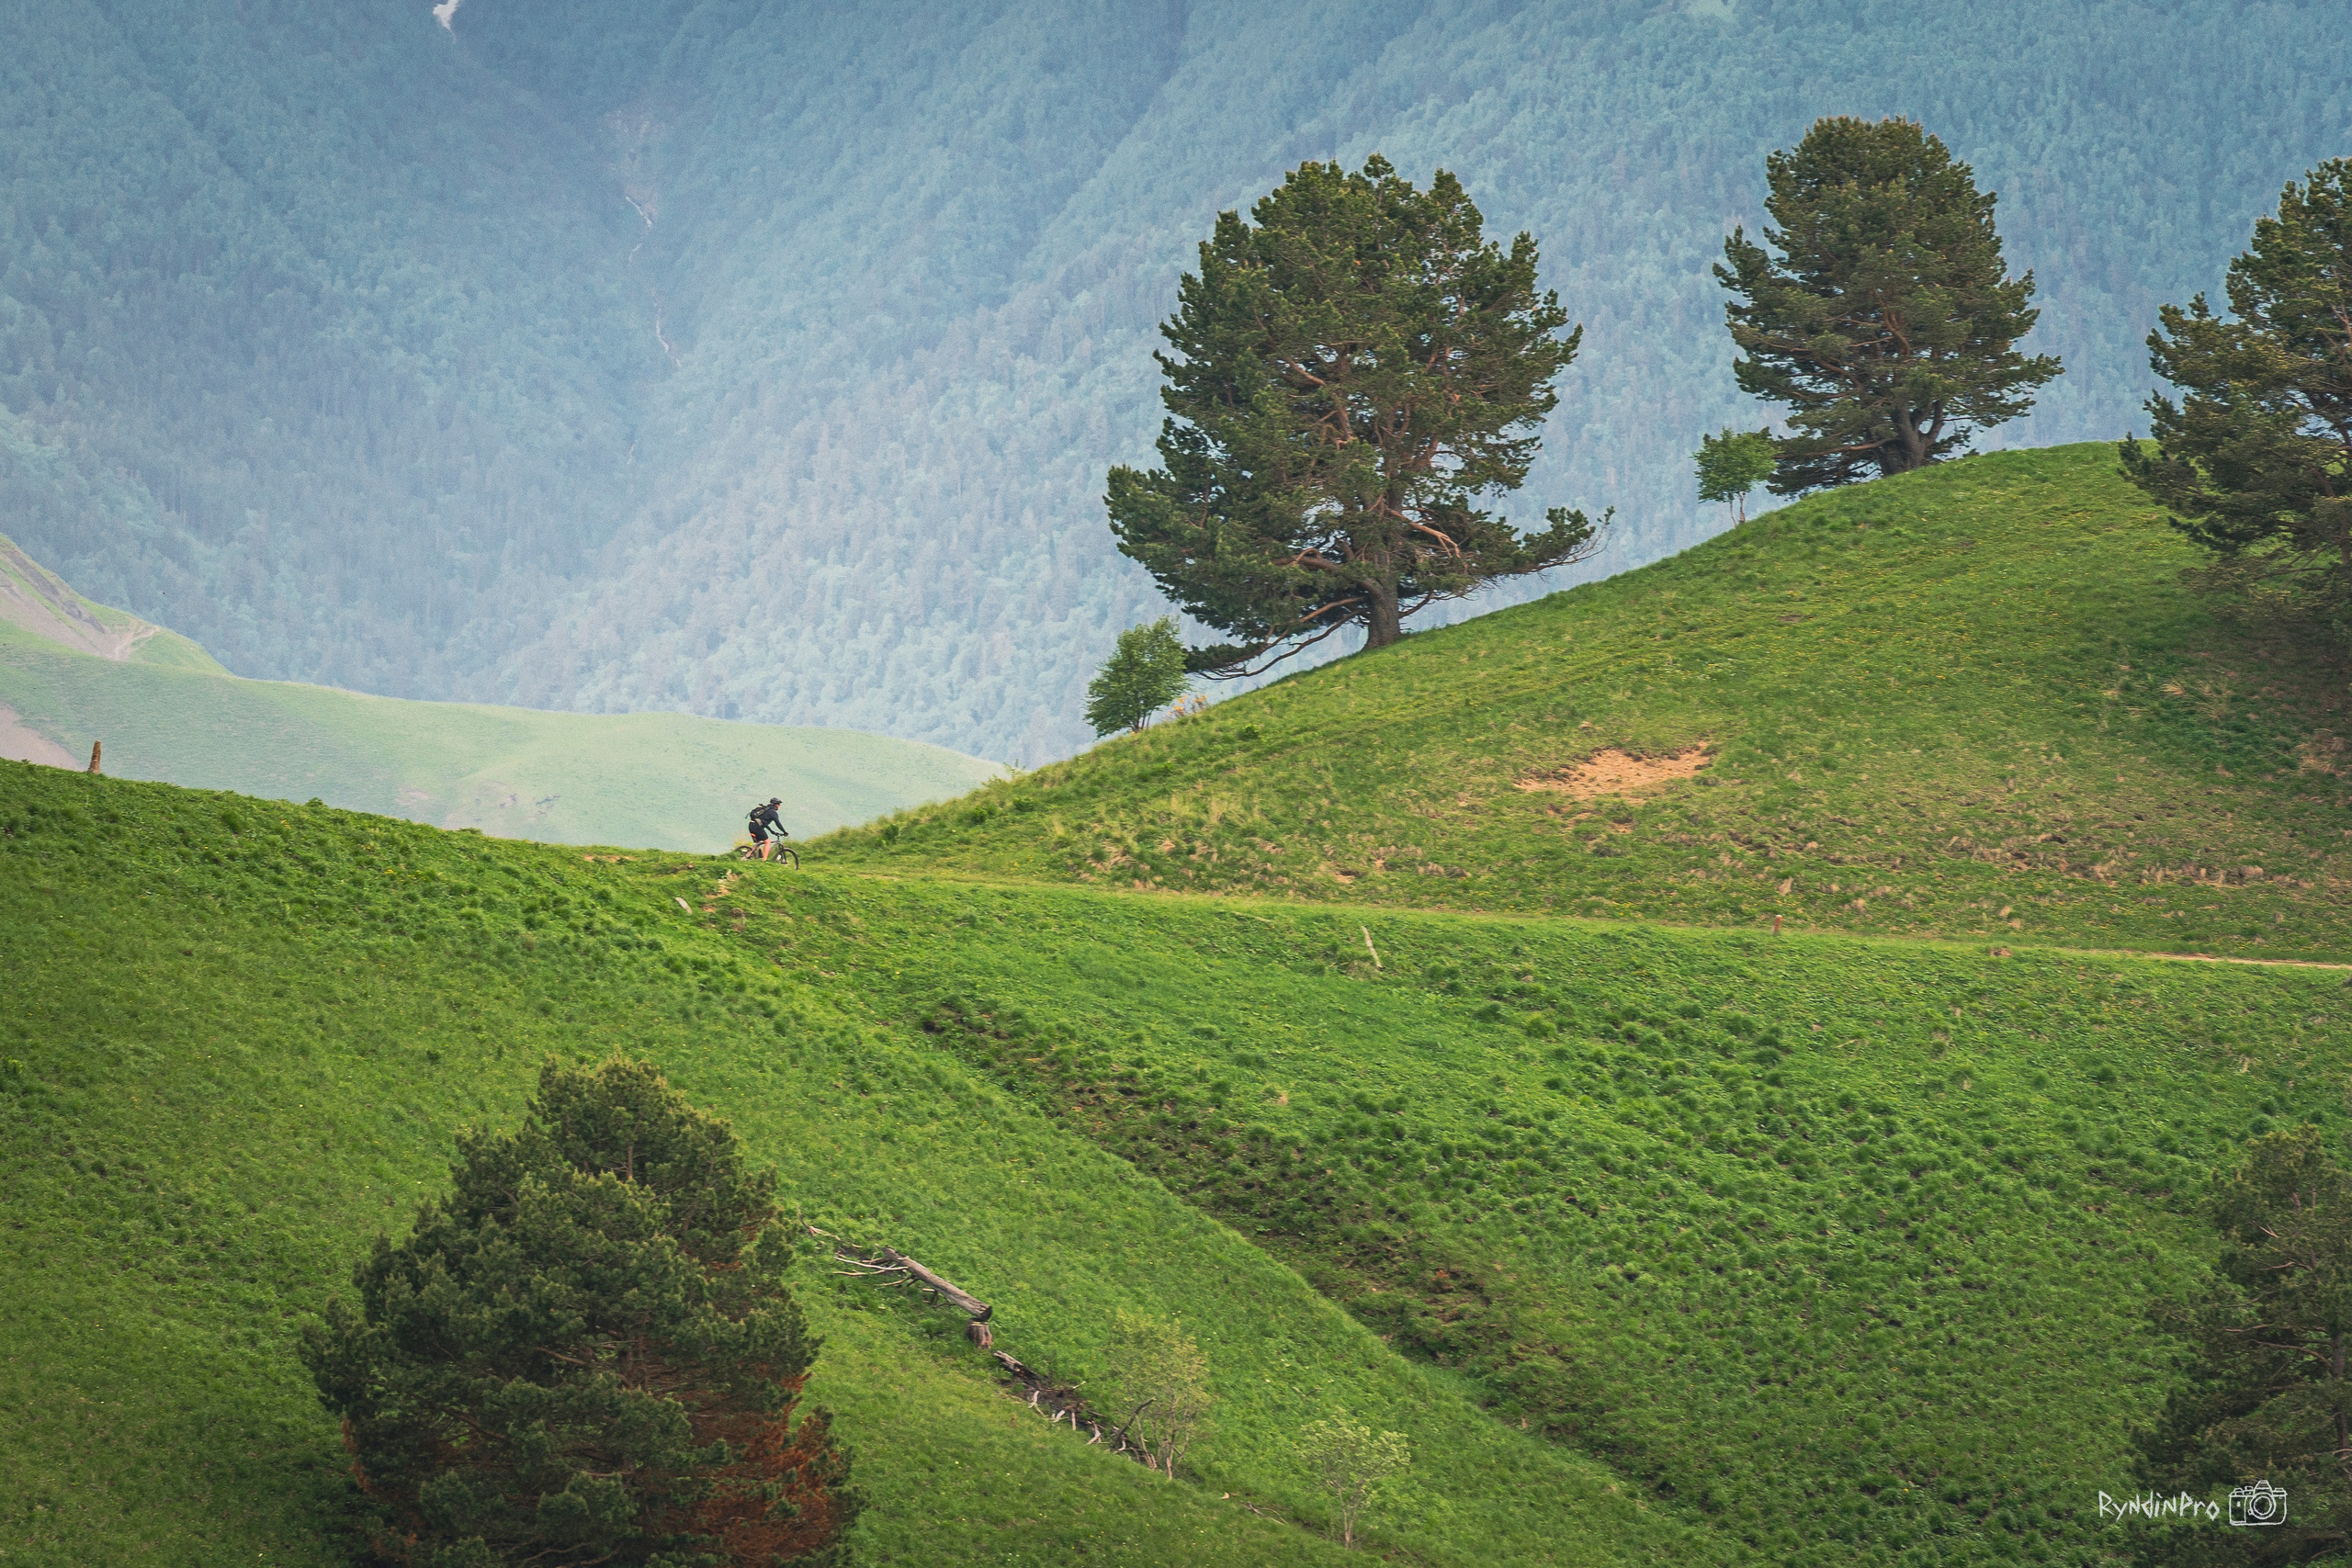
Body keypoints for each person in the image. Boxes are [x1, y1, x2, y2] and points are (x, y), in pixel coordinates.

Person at [748, 797, 787, 861]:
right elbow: (778, 823)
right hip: (757, 827)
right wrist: (784, 831)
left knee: (759, 842)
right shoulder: (773, 812)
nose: (779, 806)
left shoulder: (765, 809)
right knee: (767, 842)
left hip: (751, 825)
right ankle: (764, 860)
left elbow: (762, 822)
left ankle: (748, 855)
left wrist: (771, 831)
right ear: (776, 805)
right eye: (779, 804)